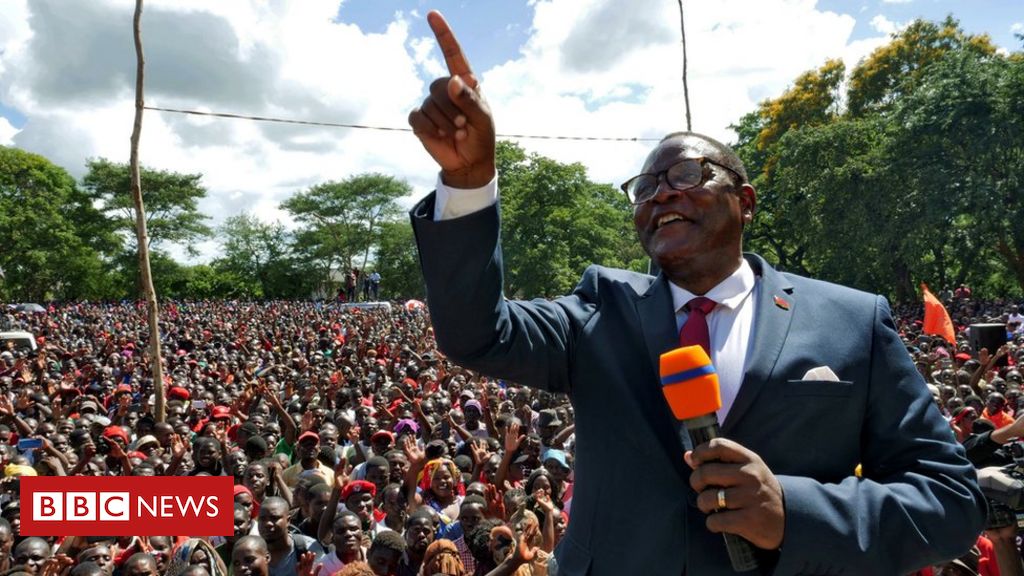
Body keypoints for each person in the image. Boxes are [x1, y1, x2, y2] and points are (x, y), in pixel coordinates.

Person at [406, 10, 985, 575]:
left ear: (746, 201)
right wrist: (469, 180)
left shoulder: (852, 320)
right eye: (646, 187)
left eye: (686, 175)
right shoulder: (598, 310)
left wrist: (792, 511)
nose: (660, 195)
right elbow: (476, 332)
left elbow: (950, 501)